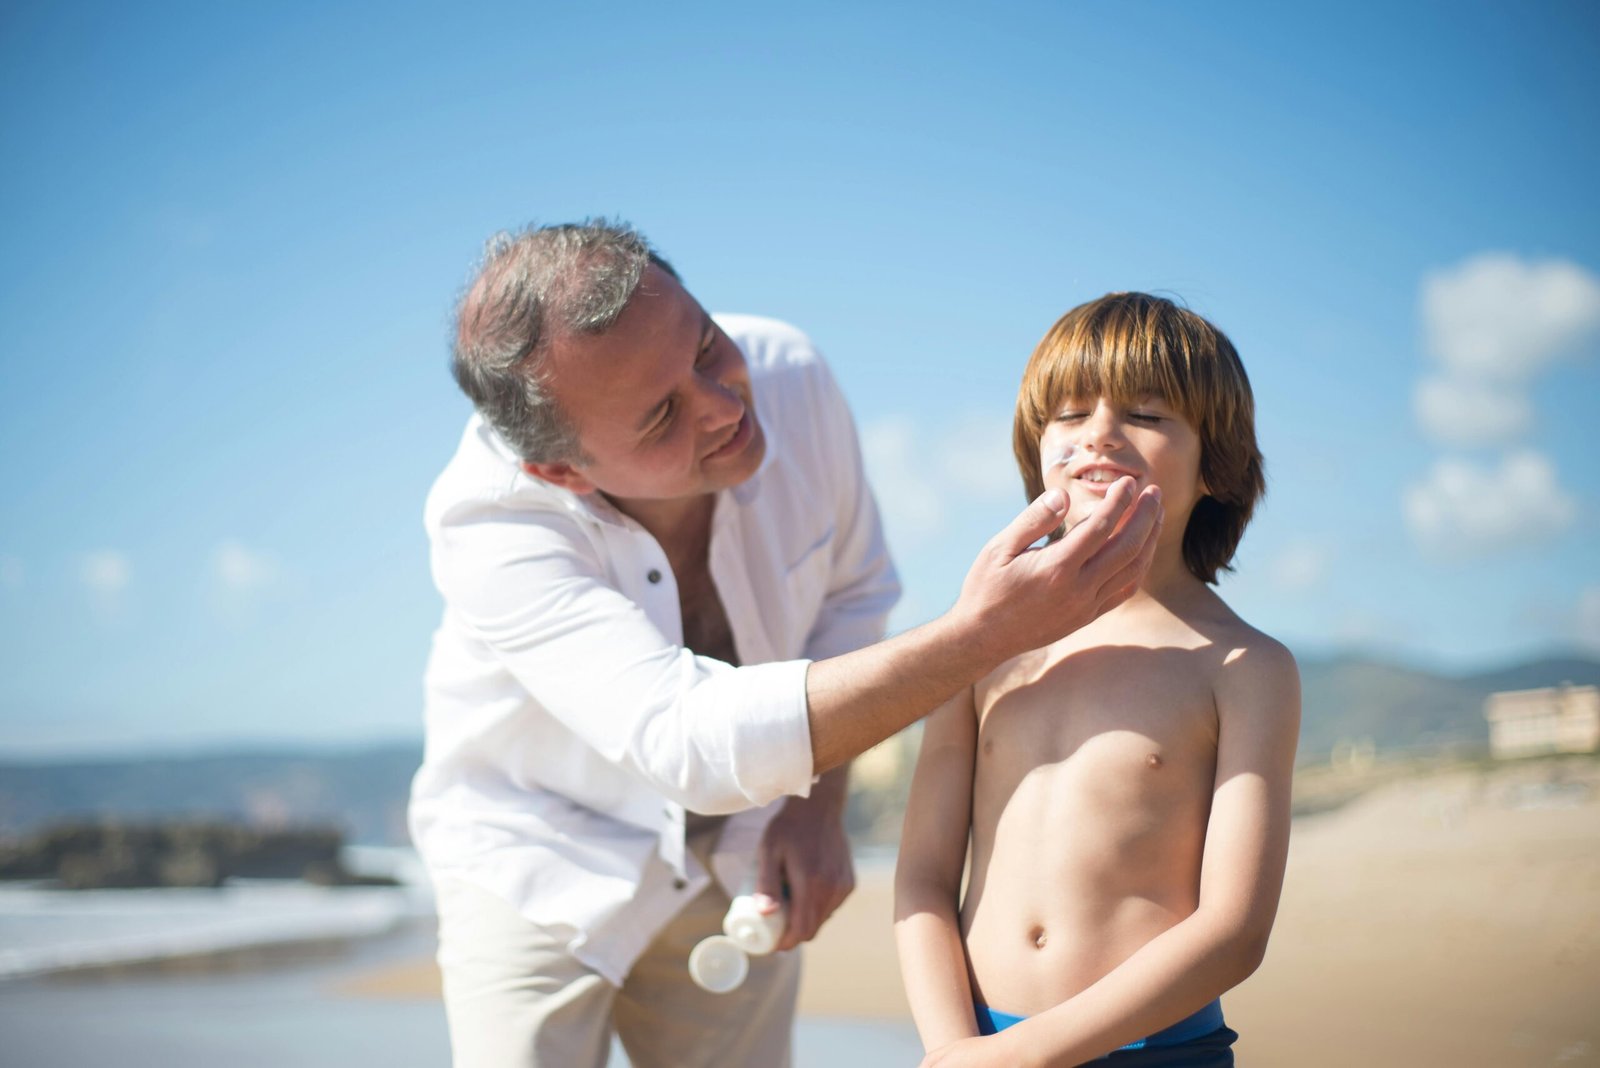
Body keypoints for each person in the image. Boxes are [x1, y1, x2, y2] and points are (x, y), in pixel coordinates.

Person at [410, 220, 1163, 1068]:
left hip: (745, 857)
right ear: (562, 471)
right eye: (662, 417)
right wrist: (982, 634)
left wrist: (816, 801)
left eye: (706, 350)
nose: (728, 406)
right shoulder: (490, 521)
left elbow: (854, 591)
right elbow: (684, 739)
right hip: (541, 859)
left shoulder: (791, 376)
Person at [894, 293, 1301, 1067]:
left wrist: (1028, 1056)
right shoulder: (981, 646)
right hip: (976, 1041)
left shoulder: (1244, 667)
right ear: (1036, 446)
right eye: (1071, 413)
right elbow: (922, 876)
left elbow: (1235, 929)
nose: (1100, 434)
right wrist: (953, 1047)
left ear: (1217, 462)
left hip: (1156, 1050)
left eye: (1147, 414)